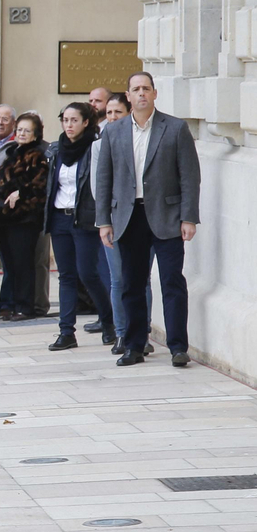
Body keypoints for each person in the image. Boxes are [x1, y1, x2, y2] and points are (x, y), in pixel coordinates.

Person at [95, 71, 200, 368]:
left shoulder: (175, 128)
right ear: (127, 96)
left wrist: (189, 217)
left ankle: (178, 346)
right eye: (135, 89)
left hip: (167, 216)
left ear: (154, 94)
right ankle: (135, 345)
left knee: (171, 282)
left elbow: (189, 176)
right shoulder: (113, 131)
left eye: (146, 89)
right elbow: (104, 179)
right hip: (128, 217)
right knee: (132, 284)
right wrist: (104, 221)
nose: (141, 94)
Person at [45, 102, 115, 351]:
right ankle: (66, 332)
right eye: (65, 120)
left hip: (84, 217)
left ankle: (108, 320)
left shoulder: (95, 148)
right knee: (66, 276)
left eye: (74, 120)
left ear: (86, 122)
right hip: (59, 217)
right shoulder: (56, 150)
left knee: (87, 273)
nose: (69, 125)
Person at [98, 92, 147, 353]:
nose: (112, 117)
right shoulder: (105, 138)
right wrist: (104, 219)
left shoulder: (144, 137)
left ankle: (142, 332)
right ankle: (121, 332)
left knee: (142, 280)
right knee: (118, 279)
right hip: (117, 218)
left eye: (117, 112)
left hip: (146, 216)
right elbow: (102, 183)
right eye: (109, 113)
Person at [0, 112, 49, 321]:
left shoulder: (38, 154)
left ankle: (25, 306)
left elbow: (41, 186)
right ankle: (13, 304)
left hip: (25, 219)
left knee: (24, 264)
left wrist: (21, 193)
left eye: (27, 130)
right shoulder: (13, 152)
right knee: (11, 265)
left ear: (35, 134)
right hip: (6, 219)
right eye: (20, 130)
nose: (22, 134)